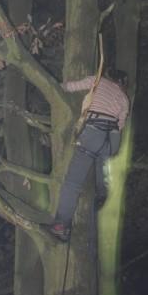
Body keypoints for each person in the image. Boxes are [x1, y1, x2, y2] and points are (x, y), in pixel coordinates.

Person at [47, 68, 130, 242]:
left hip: (93, 132)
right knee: (102, 158)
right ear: (122, 84)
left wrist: (53, 85)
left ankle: (61, 225)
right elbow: (120, 124)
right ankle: (102, 192)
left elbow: (70, 87)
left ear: (109, 76)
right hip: (112, 139)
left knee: (73, 183)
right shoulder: (124, 98)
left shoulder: (97, 81)